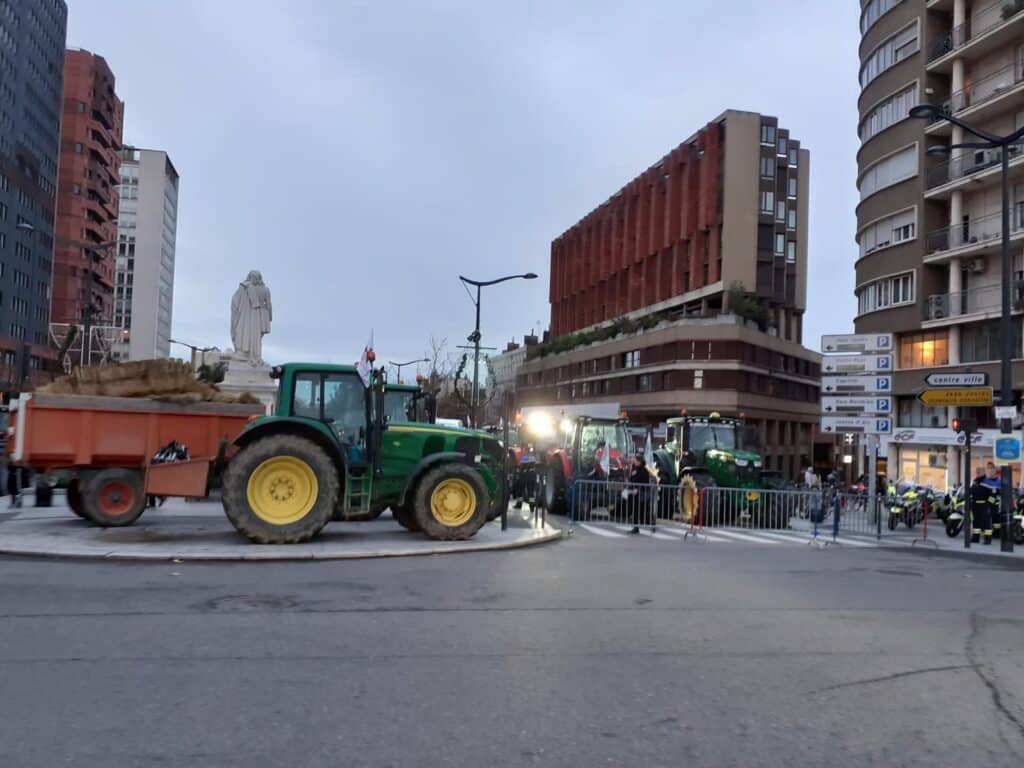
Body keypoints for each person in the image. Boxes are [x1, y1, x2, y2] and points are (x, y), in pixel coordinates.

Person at [969, 464, 999, 545]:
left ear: (983, 472)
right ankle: (975, 538)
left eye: (979, 471)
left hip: (984, 505)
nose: (977, 472)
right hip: (975, 505)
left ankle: (987, 539)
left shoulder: (987, 481)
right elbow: (971, 491)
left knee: (986, 523)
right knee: (976, 522)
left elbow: (993, 495)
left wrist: (989, 505)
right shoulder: (975, 481)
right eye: (977, 471)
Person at [626, 452, 651, 534]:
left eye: (635, 460)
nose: (633, 461)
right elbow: (632, 479)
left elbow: (645, 483)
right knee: (635, 510)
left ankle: (649, 525)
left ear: (639, 461)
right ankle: (636, 527)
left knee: (641, 511)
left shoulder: (644, 470)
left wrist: (638, 489)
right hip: (633, 494)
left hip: (641, 494)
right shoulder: (634, 468)